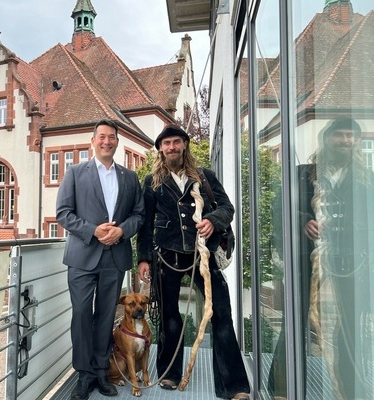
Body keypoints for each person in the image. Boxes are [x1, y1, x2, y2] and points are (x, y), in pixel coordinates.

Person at [136, 124, 250, 400]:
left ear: (185, 144)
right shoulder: (151, 183)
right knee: (169, 317)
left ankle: (233, 386)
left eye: (176, 142)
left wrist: (213, 219)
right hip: (167, 256)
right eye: (167, 144)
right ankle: (169, 373)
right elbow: (145, 224)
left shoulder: (205, 177)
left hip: (204, 256)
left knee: (222, 315)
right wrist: (143, 259)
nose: (172, 147)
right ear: (160, 149)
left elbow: (227, 208)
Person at [268, 115, 373, 399]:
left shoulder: (366, 180)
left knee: (350, 328)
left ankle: (350, 390)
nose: (346, 141)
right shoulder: (303, 174)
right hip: (308, 260)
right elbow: (279, 207)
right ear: (327, 139)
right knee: (295, 322)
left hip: (351, 262)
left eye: (351, 137)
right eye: (340, 135)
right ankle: (281, 387)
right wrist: (303, 219)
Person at [56, 119, 144, 400]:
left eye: (112, 138)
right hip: (82, 256)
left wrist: (121, 230)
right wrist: (93, 230)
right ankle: (83, 375)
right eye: (102, 137)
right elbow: (63, 213)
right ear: (93, 141)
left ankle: (100, 373)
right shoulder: (74, 172)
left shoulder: (130, 178)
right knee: (82, 315)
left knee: (106, 317)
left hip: (115, 257)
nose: (107, 141)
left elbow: (139, 215)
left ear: (117, 142)